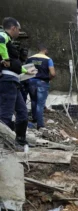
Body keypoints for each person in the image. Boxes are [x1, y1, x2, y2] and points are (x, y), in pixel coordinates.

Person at [0, 17, 36, 148]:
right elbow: (0, 40)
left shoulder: (9, 42)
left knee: (22, 113)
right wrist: (6, 58)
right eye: (18, 29)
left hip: (14, 81)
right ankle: (3, 144)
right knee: (6, 114)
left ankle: (20, 140)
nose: (19, 32)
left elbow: (15, 65)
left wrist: (26, 72)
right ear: (13, 28)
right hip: (7, 80)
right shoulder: (3, 35)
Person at [25, 44, 56, 130]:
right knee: (40, 104)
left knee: (34, 101)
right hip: (42, 82)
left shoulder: (30, 58)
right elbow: (53, 73)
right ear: (45, 50)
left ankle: (34, 119)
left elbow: (26, 70)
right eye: (47, 50)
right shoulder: (48, 59)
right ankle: (40, 124)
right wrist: (48, 79)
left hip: (31, 82)